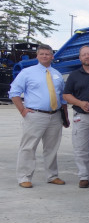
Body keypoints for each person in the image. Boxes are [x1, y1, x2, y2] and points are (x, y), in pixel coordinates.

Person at [9, 44, 69, 188]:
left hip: (55, 116)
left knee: (52, 148)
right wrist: (22, 110)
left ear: (52, 56)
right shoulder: (27, 72)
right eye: (41, 54)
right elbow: (14, 92)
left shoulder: (57, 74)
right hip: (35, 115)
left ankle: (52, 175)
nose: (44, 56)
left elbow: (62, 98)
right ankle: (24, 177)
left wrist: (65, 117)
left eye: (47, 54)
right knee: (28, 147)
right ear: (37, 56)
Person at [63, 45, 89, 188]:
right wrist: (80, 103)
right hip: (81, 116)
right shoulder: (74, 75)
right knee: (80, 149)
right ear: (80, 58)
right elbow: (66, 95)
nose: (87, 57)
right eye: (84, 55)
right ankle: (84, 176)